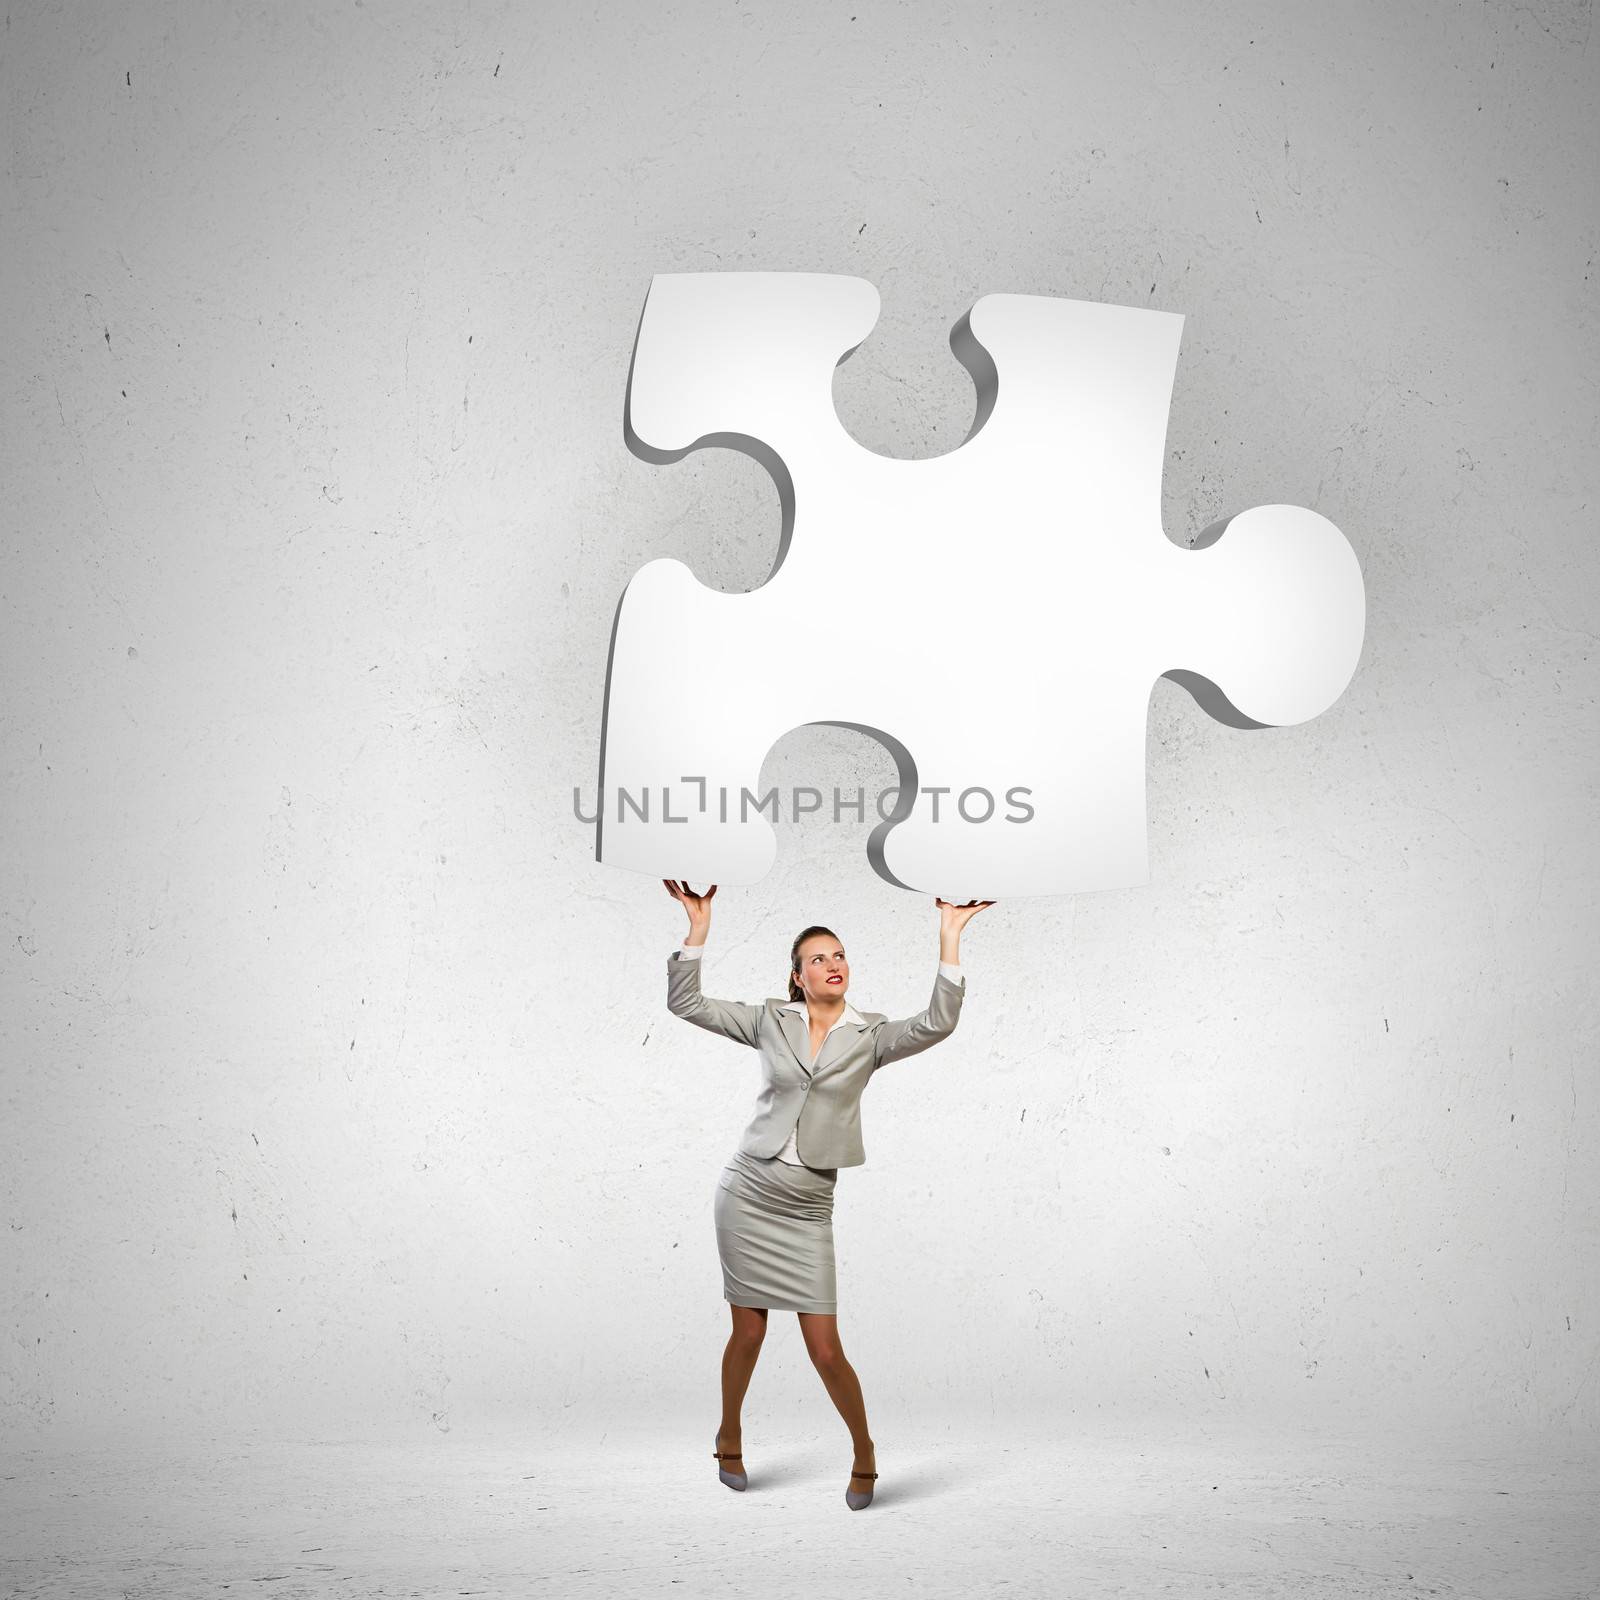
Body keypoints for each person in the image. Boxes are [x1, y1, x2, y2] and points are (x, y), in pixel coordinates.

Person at [663, 878, 994, 1509]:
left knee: (825, 1348)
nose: (832, 964)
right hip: (748, 1192)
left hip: (808, 1205)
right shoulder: (768, 1022)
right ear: (797, 977)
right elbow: (688, 1005)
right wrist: (697, 931)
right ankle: (728, 1433)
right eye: (818, 958)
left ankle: (864, 1451)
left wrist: (949, 935)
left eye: (838, 954)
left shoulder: (869, 1036)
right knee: (749, 1335)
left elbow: (937, 1023)